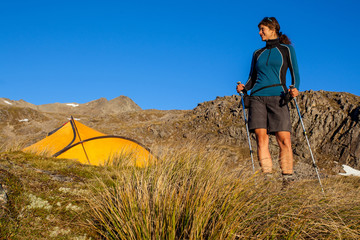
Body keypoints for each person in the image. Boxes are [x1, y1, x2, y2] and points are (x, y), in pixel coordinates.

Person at [236, 17, 300, 181]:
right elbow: (251, 78)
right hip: (257, 98)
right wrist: (244, 88)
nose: (259, 33)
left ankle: (287, 181)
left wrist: (294, 89)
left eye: (262, 29)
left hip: (279, 96)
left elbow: (295, 75)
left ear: (273, 29)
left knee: (284, 140)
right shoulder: (257, 54)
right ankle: (268, 181)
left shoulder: (286, 50)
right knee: (261, 139)